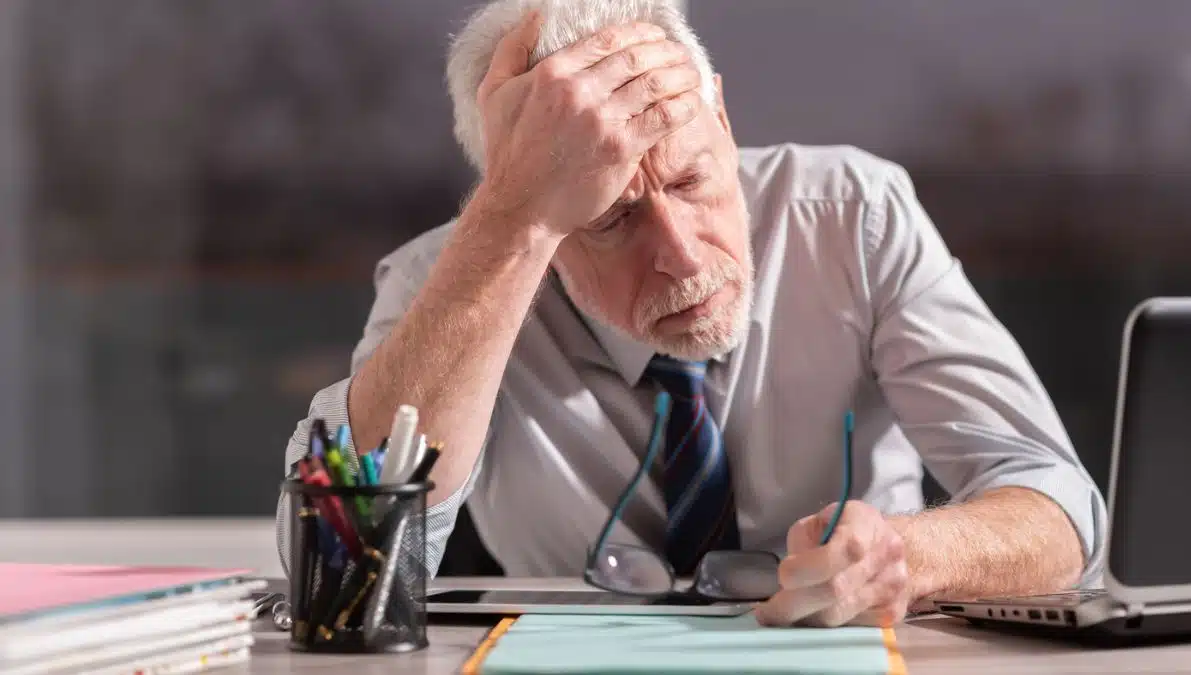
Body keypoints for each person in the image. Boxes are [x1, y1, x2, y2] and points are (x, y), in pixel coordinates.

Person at [277, 0, 1107, 628]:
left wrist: (911, 555)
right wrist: (509, 225)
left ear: (720, 110)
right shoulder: (452, 278)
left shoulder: (854, 214)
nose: (681, 253)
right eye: (609, 217)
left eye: (689, 182)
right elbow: (342, 571)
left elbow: (1060, 508)